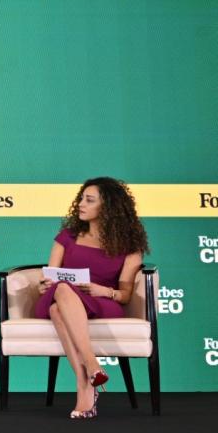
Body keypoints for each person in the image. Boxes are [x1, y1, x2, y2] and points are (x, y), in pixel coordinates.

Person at [33, 177, 148, 420]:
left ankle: (85, 384)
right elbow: (50, 275)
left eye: (89, 200)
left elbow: (125, 295)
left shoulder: (129, 247)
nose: (81, 204)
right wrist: (44, 285)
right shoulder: (67, 236)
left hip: (101, 302)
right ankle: (92, 365)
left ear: (108, 207)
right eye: (81, 199)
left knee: (57, 310)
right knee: (61, 290)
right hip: (61, 294)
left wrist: (102, 290)